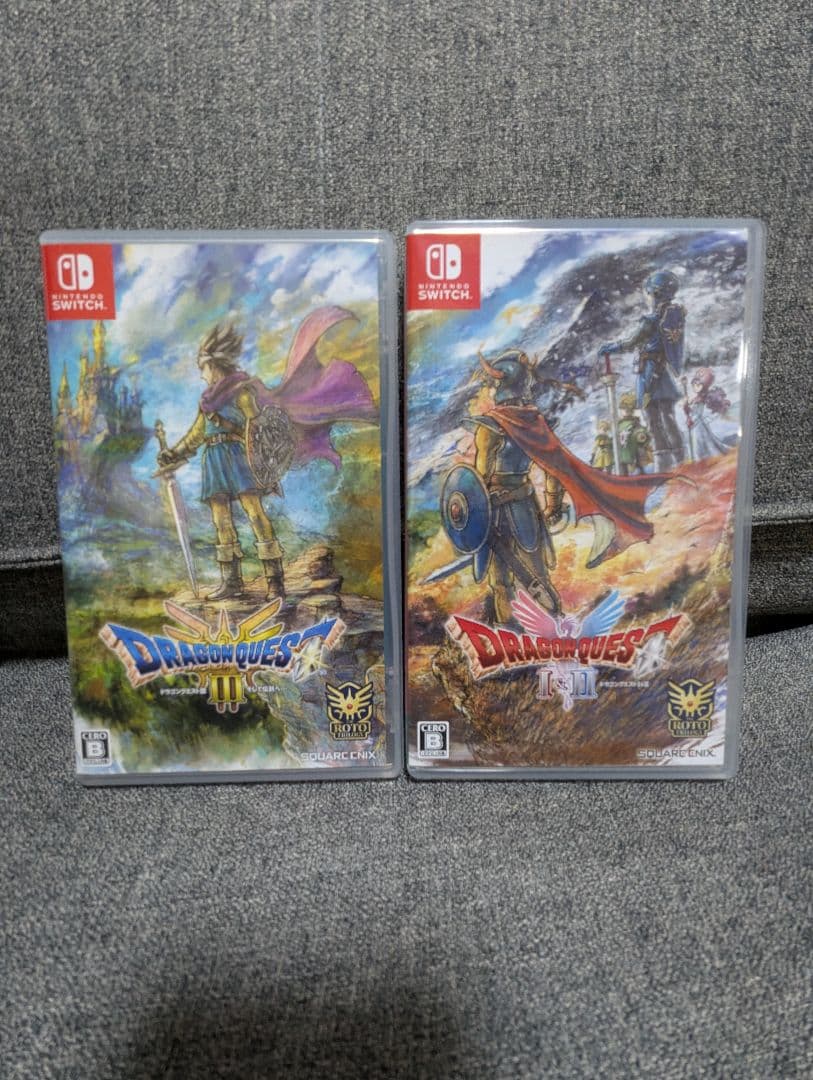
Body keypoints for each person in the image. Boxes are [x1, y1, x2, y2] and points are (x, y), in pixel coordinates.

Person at [159, 308, 376, 601]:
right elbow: (196, 434)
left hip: (239, 457)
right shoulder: (206, 402)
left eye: (203, 367)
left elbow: (260, 429)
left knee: (255, 513)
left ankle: (275, 580)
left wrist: (237, 432)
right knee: (221, 520)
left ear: (215, 365)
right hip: (213, 461)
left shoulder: (241, 392)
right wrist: (173, 453)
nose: (202, 374)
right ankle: (231, 582)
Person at [460, 349, 673, 624]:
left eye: (493, 384)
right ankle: (538, 629)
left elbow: (478, 480)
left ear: (501, 385)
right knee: (536, 576)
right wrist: (552, 505)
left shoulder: (490, 427)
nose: (491, 389)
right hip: (525, 509)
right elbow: (554, 470)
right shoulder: (534, 423)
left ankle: (515, 630)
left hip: (495, 514)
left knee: (501, 580)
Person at [599, 270, 686, 470]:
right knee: (668, 417)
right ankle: (681, 460)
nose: (646, 297)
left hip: (649, 374)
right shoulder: (673, 316)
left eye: (648, 293)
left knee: (653, 420)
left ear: (655, 293)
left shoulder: (651, 321)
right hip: (662, 373)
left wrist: (611, 347)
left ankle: (664, 464)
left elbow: (631, 342)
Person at [688, 367, 733, 458]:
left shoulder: (701, 399)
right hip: (694, 422)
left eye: (698, 384)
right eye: (694, 384)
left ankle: (702, 456)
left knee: (701, 439)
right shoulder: (696, 398)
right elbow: (691, 410)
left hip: (698, 422)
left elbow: (698, 411)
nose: (695, 386)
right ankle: (699, 457)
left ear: (704, 385)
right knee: (698, 440)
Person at [617, 391, 652, 475]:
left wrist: (641, 435)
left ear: (632, 410)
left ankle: (641, 473)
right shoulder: (619, 424)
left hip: (633, 449)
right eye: (624, 409)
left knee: (638, 463)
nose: (626, 411)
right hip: (622, 450)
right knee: (623, 467)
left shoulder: (635, 422)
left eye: (628, 409)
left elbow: (641, 432)